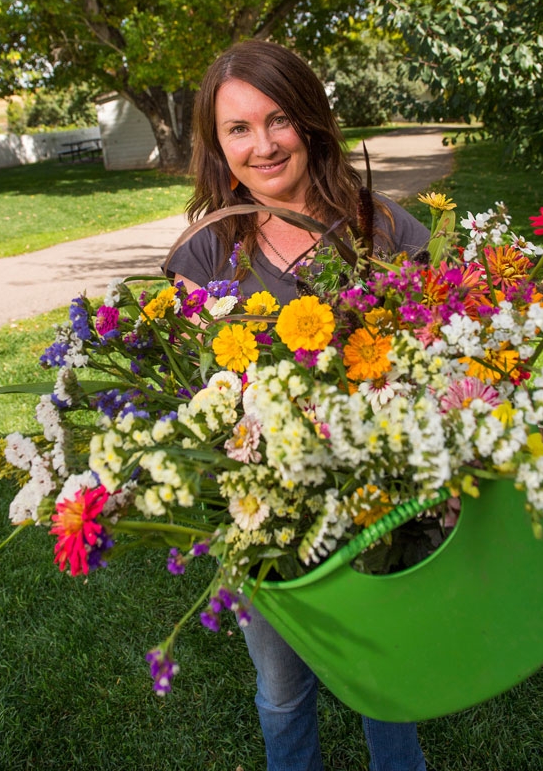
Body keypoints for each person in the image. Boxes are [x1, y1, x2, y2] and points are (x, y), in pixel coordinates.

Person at [166, 39, 430, 771]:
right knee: (282, 687)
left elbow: (439, 367)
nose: (262, 144)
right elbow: (194, 397)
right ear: (216, 145)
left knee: (384, 673)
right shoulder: (208, 254)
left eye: (277, 119)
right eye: (237, 129)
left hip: (380, 497)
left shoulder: (384, 229)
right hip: (264, 517)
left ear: (309, 120)